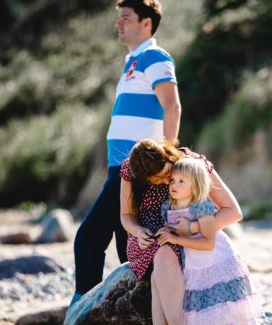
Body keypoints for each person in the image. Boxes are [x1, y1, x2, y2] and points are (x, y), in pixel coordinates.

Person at [71, 0, 181, 305]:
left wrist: (170, 154)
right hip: (119, 165)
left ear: (146, 23)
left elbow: (172, 105)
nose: (119, 24)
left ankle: (81, 311)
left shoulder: (154, 56)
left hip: (135, 167)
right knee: (128, 246)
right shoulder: (132, 61)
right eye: (119, 19)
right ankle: (142, 313)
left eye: (126, 18)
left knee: (89, 239)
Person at [119, 139, 245, 325]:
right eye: (156, 181)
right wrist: (138, 232)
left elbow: (233, 212)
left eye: (166, 174)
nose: (165, 182)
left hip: (186, 239)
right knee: (162, 256)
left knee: (161, 270)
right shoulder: (130, 170)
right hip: (149, 239)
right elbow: (126, 215)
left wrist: (191, 229)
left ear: (168, 156)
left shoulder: (191, 164)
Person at [156, 158, 264, 325]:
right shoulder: (167, 207)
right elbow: (174, 232)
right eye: (172, 180)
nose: (174, 185)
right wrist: (166, 232)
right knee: (211, 310)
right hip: (196, 266)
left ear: (195, 184)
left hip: (219, 261)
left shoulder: (201, 206)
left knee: (236, 308)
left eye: (182, 181)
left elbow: (208, 243)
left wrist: (176, 238)